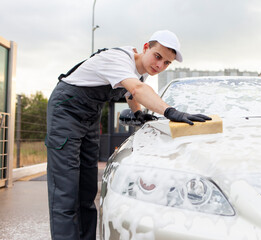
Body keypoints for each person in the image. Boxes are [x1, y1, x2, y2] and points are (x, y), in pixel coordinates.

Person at [45, 30, 211, 240]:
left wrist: (138, 113)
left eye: (167, 63)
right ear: (145, 48)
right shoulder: (118, 59)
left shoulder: (139, 71)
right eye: (158, 56)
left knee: (87, 190)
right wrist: (171, 112)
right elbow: (138, 89)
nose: (159, 65)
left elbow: (130, 93)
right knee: (65, 191)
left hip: (90, 115)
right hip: (66, 111)